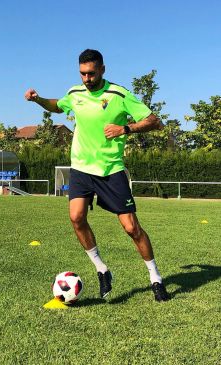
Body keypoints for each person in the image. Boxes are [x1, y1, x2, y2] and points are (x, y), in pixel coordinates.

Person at [24, 49, 170, 302]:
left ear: (103, 69)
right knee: (76, 217)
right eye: (82, 74)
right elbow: (57, 106)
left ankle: (155, 277)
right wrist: (38, 100)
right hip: (81, 167)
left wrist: (125, 128)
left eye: (91, 73)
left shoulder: (120, 94)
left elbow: (155, 121)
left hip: (111, 170)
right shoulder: (75, 93)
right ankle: (102, 269)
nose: (87, 78)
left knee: (131, 228)